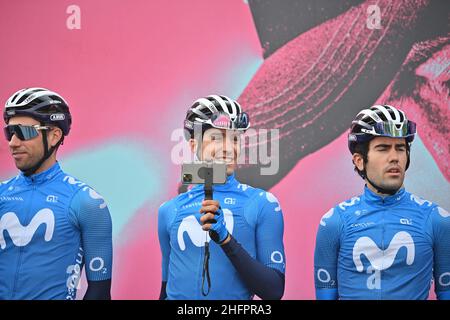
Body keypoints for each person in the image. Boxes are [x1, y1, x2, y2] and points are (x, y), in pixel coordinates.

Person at [314, 104, 450, 300]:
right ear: (359, 160)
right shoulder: (333, 223)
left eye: (400, 148)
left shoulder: (438, 221)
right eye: (383, 148)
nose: (394, 157)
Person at [158, 95, 285, 299]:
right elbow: (165, 291)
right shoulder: (168, 210)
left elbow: (274, 290)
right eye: (216, 138)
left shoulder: (262, 204)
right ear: (193, 145)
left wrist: (225, 239)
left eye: (234, 138)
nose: (228, 148)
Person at [0, 87, 113, 300]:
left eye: (24, 131)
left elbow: (99, 293)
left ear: (54, 136)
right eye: (9, 132)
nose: (13, 143)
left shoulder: (86, 202)